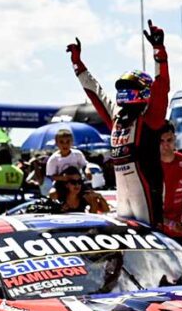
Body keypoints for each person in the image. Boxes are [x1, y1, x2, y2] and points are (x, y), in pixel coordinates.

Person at [68, 20, 169, 225]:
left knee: (151, 242)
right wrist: (77, 64)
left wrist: (159, 52)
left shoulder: (150, 117)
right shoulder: (117, 116)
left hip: (147, 191)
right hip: (123, 194)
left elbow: (162, 86)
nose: (124, 91)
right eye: (123, 87)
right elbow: (96, 92)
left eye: (130, 87)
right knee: (127, 246)